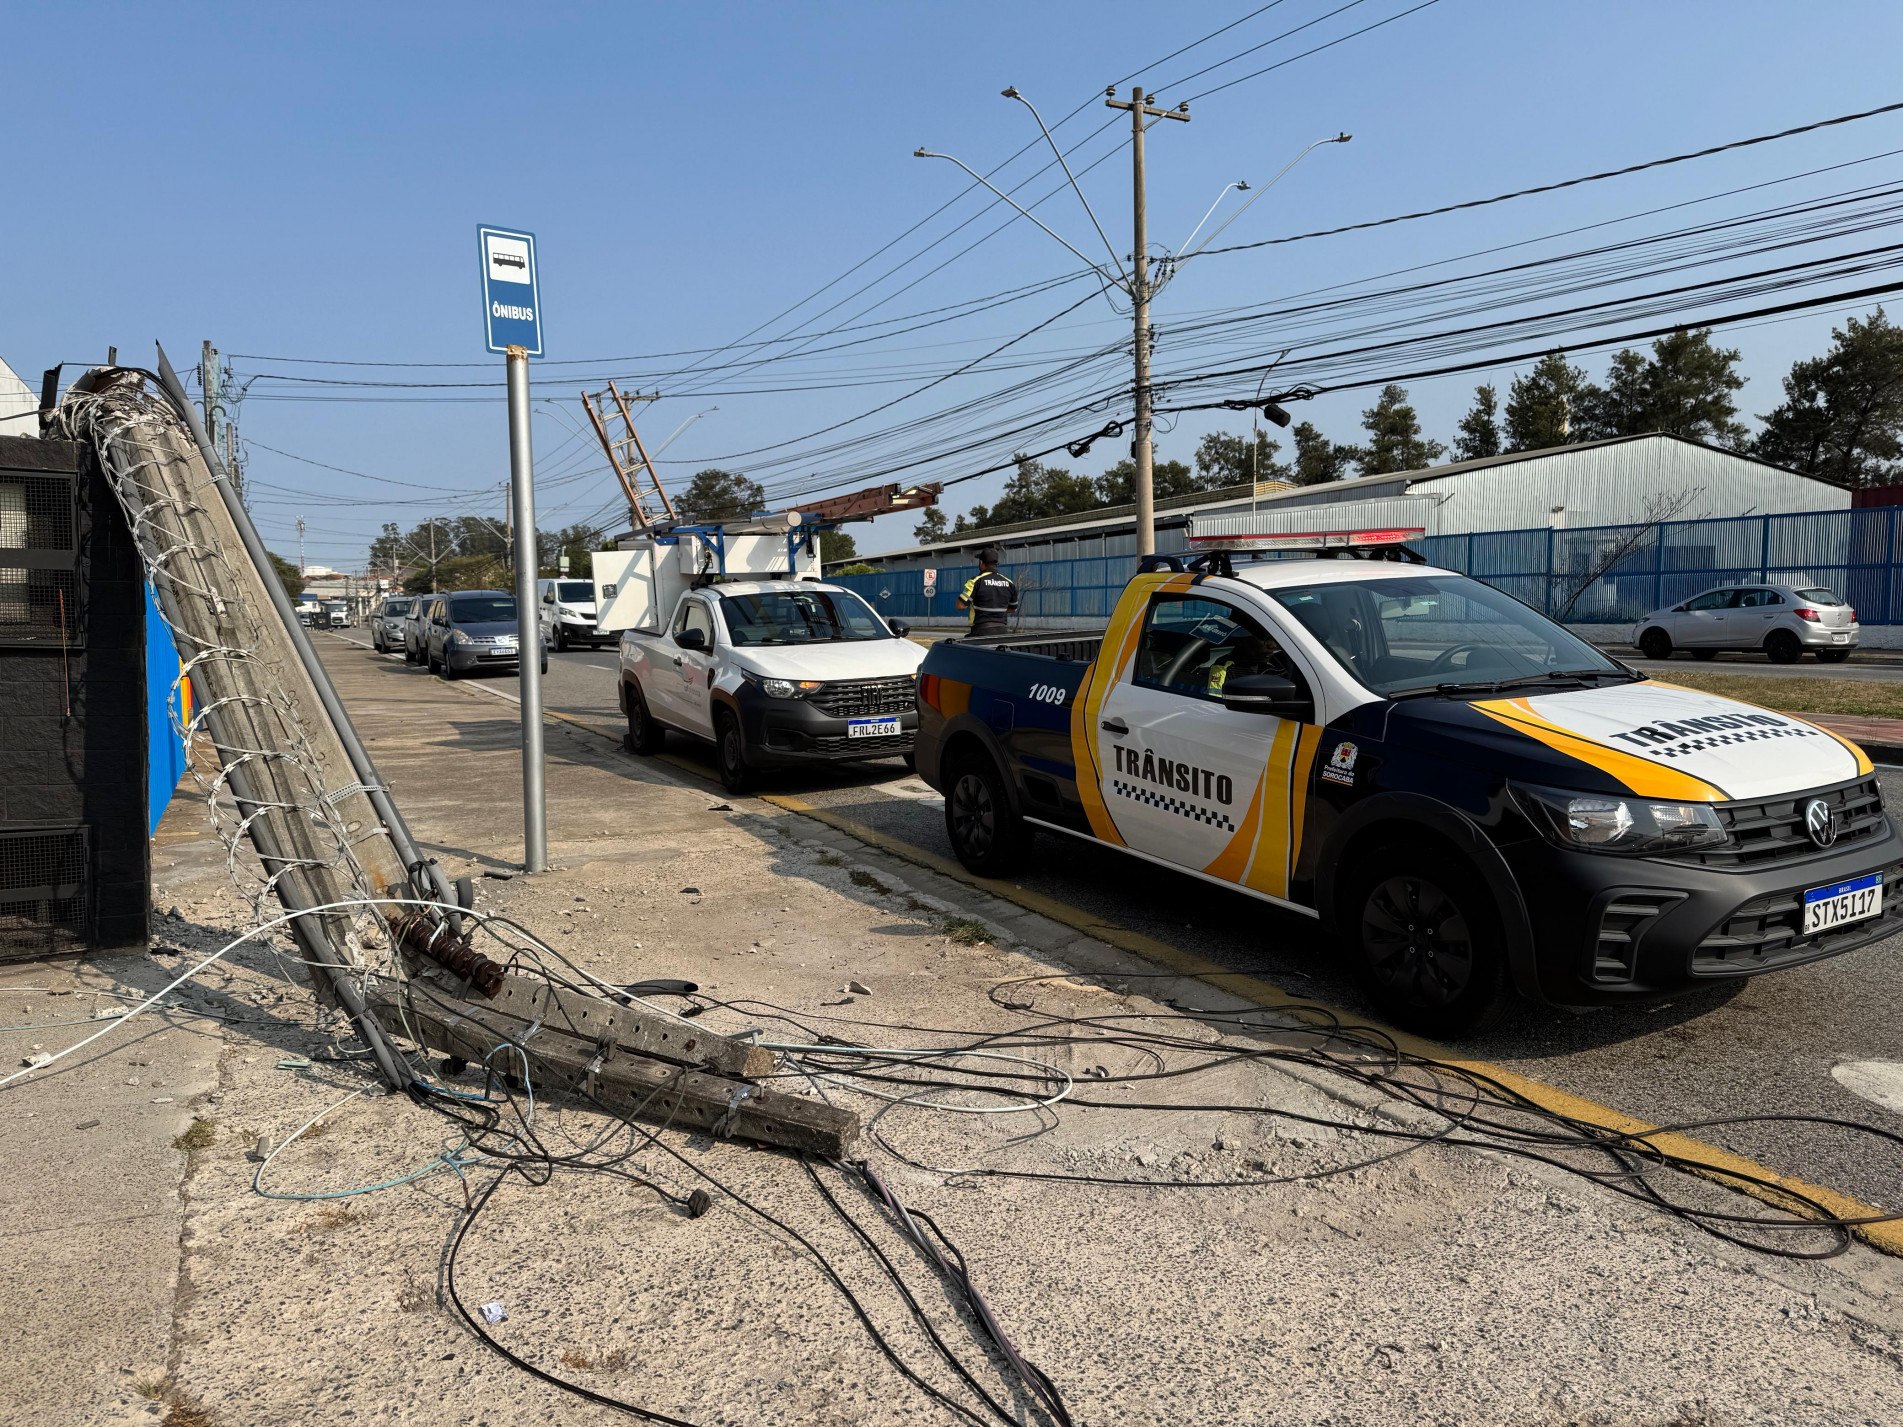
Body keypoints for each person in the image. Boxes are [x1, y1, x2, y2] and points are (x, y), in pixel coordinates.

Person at [957, 547, 1019, 638]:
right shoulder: (1009, 583)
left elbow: (960, 606)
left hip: (980, 631)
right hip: (1002, 632)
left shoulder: (975, 581)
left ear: (981, 563)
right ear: (996, 564)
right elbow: (1013, 609)